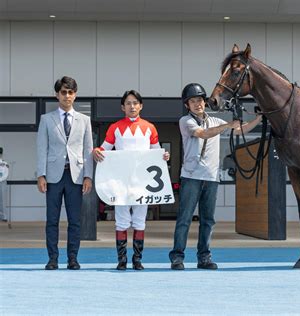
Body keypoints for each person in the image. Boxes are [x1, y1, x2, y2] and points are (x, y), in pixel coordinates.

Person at [169, 83, 262, 270]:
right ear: (187, 105)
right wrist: (228, 124)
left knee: (208, 220)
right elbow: (202, 134)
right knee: (185, 218)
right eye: (192, 101)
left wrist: (260, 118)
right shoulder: (186, 121)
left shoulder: (215, 121)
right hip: (191, 177)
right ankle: (177, 257)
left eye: (200, 100)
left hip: (211, 178)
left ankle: (204, 257)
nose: (197, 104)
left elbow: (240, 130)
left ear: (205, 102)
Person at [93, 90, 170, 270]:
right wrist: (96, 150)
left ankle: (137, 259)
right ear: (123, 107)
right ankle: (122, 260)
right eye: (128, 103)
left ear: (141, 106)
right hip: (121, 183)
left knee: (139, 221)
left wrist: (164, 156)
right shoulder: (115, 127)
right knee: (121, 221)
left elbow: (156, 151)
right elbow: (104, 149)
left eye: (135, 103)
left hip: (143, 183)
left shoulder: (150, 127)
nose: (132, 106)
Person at [36, 76, 93, 270]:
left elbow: (87, 149)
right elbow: (41, 148)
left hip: (75, 176)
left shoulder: (85, 120)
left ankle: (72, 259)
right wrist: (40, 175)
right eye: (63, 92)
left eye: (70, 92)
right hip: (53, 176)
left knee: (74, 221)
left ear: (75, 95)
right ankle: (52, 258)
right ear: (57, 95)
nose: (67, 95)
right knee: (52, 220)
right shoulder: (46, 119)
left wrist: (88, 176)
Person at [0, 147, 9, 221]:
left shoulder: (4, 163)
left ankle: (3, 217)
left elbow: (6, 174)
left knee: (2, 200)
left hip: (2, 182)